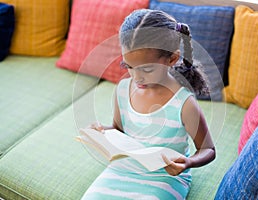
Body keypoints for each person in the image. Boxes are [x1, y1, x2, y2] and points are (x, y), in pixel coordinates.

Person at [82, 9, 215, 199]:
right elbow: (119, 131)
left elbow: (207, 149)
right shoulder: (122, 90)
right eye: (129, 66)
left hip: (164, 178)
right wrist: (101, 131)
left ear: (172, 59)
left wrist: (187, 162)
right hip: (122, 170)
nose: (136, 77)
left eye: (147, 69)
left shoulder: (184, 104)